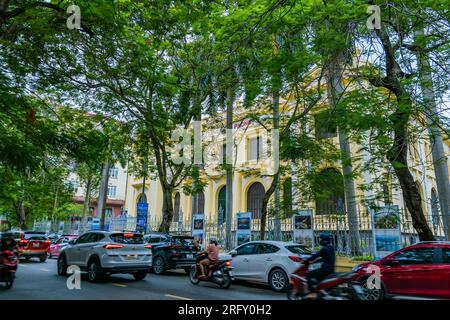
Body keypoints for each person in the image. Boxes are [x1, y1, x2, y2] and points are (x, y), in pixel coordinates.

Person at [305, 232, 335, 297]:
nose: (320, 241)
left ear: (324, 240)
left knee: (309, 274)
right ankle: (321, 291)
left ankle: (312, 293)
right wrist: (315, 261)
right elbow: (325, 258)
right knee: (318, 277)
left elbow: (315, 255)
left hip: (325, 270)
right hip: (331, 270)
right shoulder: (331, 248)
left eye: (321, 239)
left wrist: (306, 261)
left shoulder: (324, 249)